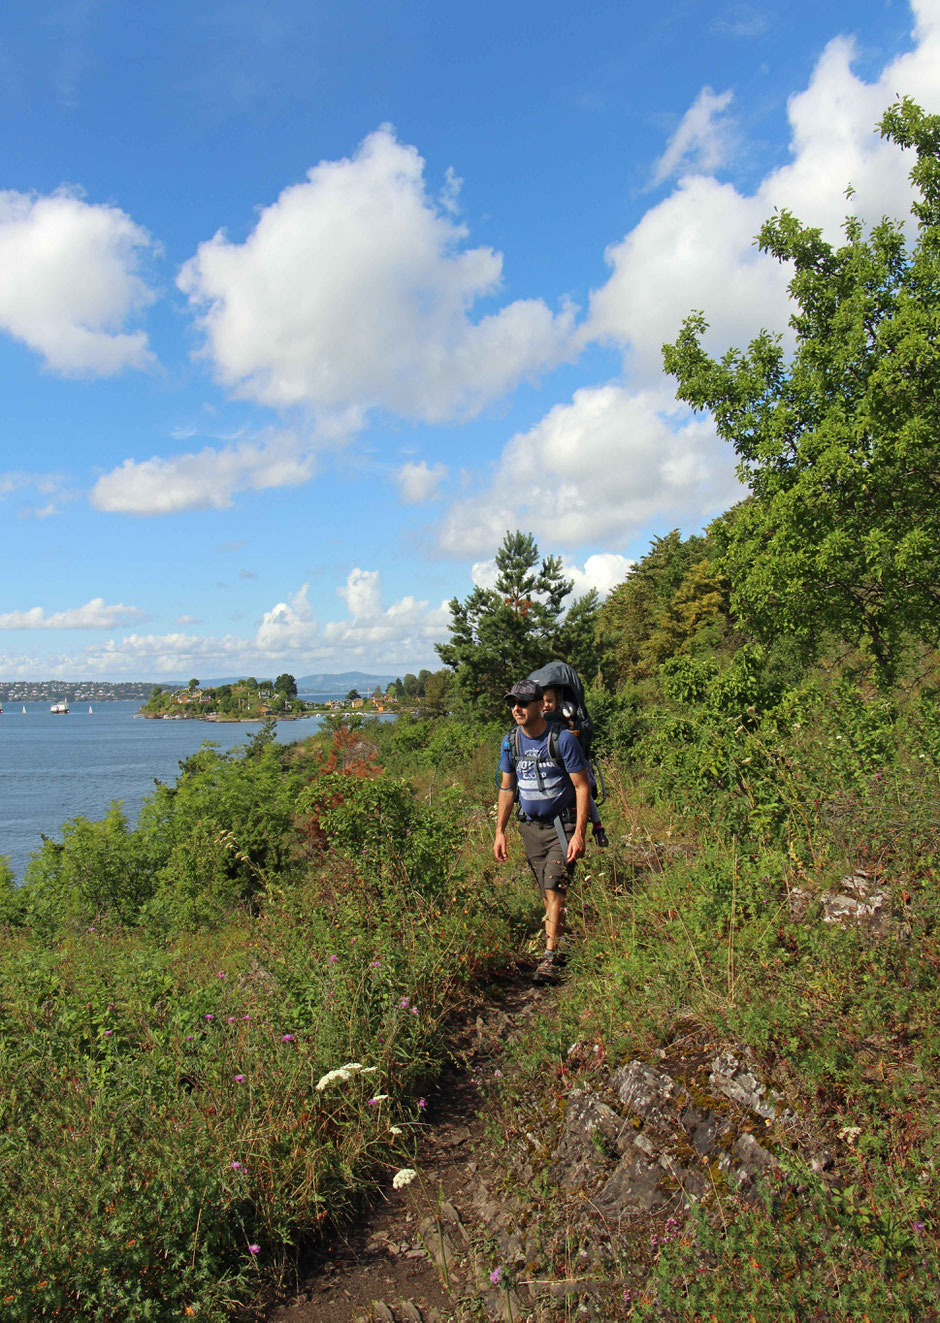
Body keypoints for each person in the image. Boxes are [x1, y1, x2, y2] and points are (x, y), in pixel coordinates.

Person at [493, 678, 591, 984]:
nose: (517, 709)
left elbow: (581, 786)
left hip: (563, 825)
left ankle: (549, 958)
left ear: (540, 705)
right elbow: (507, 788)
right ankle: (560, 938)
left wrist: (579, 834)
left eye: (523, 703)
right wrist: (500, 830)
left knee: (554, 888)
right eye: (512, 704)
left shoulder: (562, 740)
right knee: (547, 891)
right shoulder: (511, 741)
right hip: (530, 828)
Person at [541, 685, 608, 848]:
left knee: (584, 789)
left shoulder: (566, 713)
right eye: (542, 701)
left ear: (557, 700)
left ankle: (598, 826)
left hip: (572, 760)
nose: (546, 705)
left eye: (549, 701)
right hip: (551, 764)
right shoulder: (537, 719)